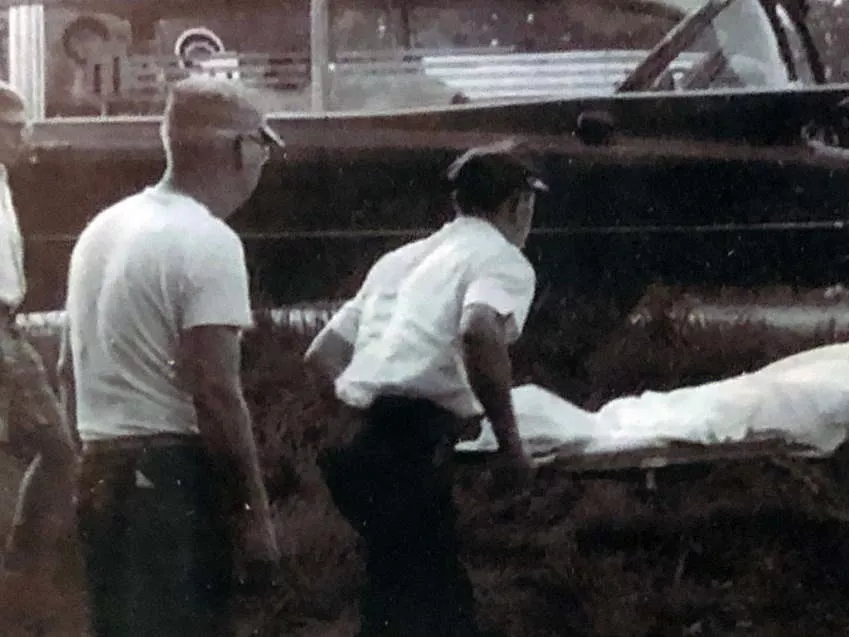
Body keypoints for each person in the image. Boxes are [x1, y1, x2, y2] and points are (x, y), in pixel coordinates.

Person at [59, 75, 283, 637]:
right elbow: (215, 391)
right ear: (240, 149)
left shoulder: (101, 230)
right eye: (263, 147)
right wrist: (254, 516)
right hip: (169, 480)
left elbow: (67, 369)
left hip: (99, 469)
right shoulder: (209, 241)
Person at [304, 137, 546, 637]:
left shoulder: (400, 259)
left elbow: (322, 356)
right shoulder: (500, 258)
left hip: (359, 446)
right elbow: (479, 331)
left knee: (392, 600)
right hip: (412, 449)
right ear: (518, 205)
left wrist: (367, 401)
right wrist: (511, 447)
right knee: (436, 610)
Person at [0, 81, 79, 578]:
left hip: (9, 327)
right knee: (50, 446)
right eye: (13, 128)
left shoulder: (3, 180)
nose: (23, 137)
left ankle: (20, 559)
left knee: (54, 445)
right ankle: (20, 566)